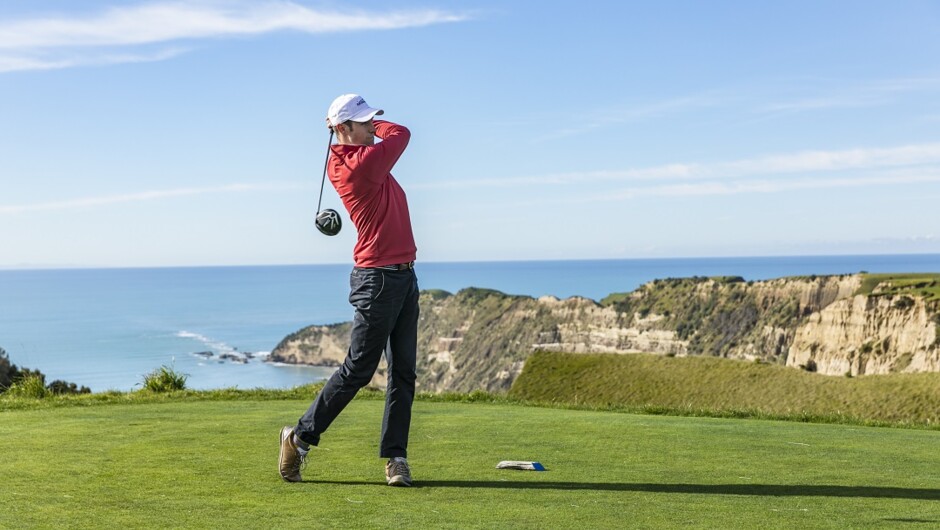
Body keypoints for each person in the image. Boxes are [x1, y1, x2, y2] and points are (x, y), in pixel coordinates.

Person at [278, 94, 420, 487]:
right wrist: (376, 128)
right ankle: (299, 438)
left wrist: (363, 126)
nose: (373, 127)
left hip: (404, 276)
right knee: (358, 369)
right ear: (342, 128)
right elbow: (402, 133)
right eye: (365, 122)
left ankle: (396, 459)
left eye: (374, 121)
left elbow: (390, 136)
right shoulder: (361, 165)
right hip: (377, 281)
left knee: (403, 372)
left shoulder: (362, 156)